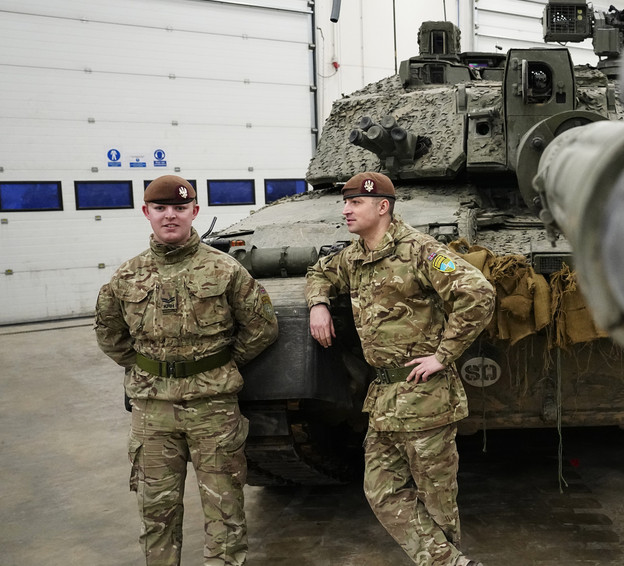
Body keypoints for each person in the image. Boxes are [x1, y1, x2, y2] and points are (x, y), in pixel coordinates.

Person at [305, 172, 495, 566]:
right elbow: (319, 272)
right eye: (345, 202)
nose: (346, 210)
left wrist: (443, 355)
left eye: (355, 202)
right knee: (381, 491)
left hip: (425, 396)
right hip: (384, 399)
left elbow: (478, 293)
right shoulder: (354, 257)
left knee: (437, 500)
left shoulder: (421, 252)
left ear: (382, 207)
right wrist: (318, 304)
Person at [94, 175, 279, 566]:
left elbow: (262, 326)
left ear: (194, 211)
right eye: (160, 208)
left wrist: (218, 366)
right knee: (155, 513)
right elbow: (109, 333)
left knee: (225, 512)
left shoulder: (225, 269)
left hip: (213, 408)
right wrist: (148, 369)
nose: (170, 216)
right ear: (146, 212)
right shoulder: (126, 276)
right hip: (152, 412)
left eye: (179, 208)